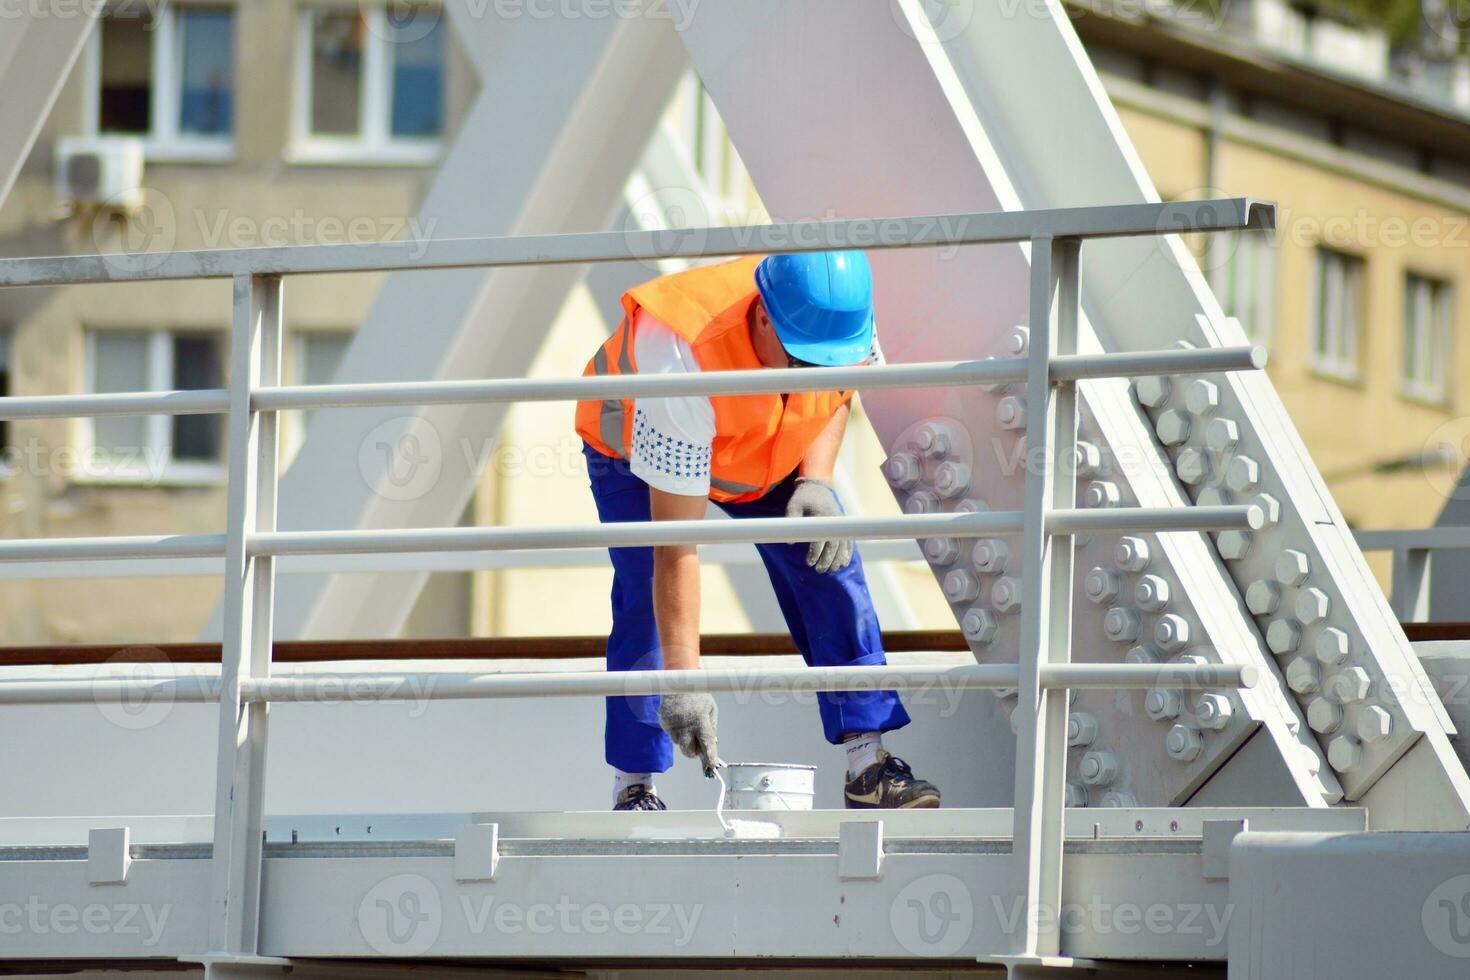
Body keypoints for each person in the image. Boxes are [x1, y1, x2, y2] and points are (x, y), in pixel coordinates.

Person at [575, 250, 941, 812]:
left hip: (760, 445)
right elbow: (677, 549)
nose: (816, 373)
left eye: (828, 362)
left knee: (829, 561)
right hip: (633, 441)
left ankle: (868, 764)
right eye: (803, 360)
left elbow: (835, 394)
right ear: (765, 318)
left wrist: (815, 481)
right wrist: (684, 682)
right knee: (645, 590)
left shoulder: (842, 323)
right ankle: (636, 786)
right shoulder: (679, 353)